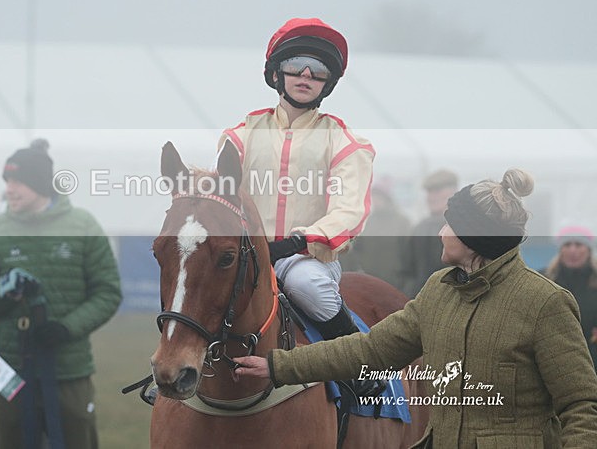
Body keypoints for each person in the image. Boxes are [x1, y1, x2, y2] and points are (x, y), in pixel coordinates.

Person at [233, 169, 597, 447]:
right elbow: (370, 350)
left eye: (449, 225)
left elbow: (581, 405)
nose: (439, 232)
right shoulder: (438, 293)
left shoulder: (545, 303)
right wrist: (278, 365)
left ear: (474, 238)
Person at [220, 17, 382, 397]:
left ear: (328, 83)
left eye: (319, 70)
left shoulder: (346, 142)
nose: (306, 75)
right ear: (276, 74)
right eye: (296, 66)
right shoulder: (238, 137)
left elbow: (349, 210)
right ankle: (174, 373)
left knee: (304, 283)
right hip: (247, 253)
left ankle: (362, 367)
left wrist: (297, 243)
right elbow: (225, 200)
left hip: (305, 258)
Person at [0, 139, 122, 449]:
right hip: (10, 370)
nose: (9, 189)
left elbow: (108, 293)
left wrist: (66, 328)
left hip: (70, 369)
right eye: (6, 181)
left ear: (40, 183)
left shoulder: (83, 225)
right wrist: (1, 290)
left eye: (17, 181)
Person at [339, 182, 412, 290]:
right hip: (369, 283)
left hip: (395, 284)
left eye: (379, 196)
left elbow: (409, 256)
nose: (376, 200)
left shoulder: (402, 222)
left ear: (387, 198)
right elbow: (356, 250)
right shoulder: (367, 222)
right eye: (374, 196)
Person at [544, 225, 597, 370]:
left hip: (591, 360)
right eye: (567, 244)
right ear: (560, 249)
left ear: (588, 250)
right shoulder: (542, 280)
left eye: (579, 244)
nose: (573, 250)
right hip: (550, 358)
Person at [401, 169, 459, 297]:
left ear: (453, 191)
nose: (432, 197)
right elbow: (407, 270)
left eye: (437, 191)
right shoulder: (420, 228)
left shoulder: (463, 226)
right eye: (429, 192)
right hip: (420, 299)